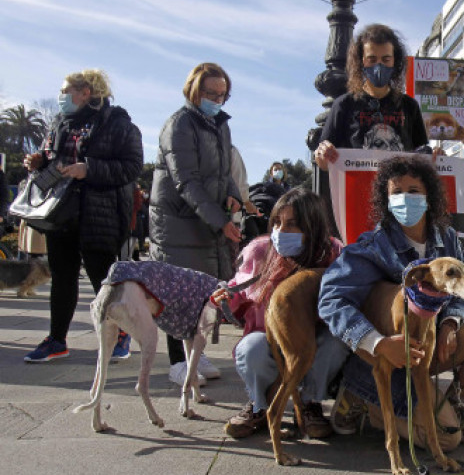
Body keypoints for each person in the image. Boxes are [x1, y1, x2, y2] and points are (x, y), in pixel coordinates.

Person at [318, 155, 464, 449]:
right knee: (448, 441)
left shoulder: (447, 238)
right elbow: (331, 300)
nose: (404, 199)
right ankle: (365, 400)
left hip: (428, 346)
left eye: (413, 191)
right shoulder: (373, 246)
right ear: (385, 199)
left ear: (429, 196)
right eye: (396, 192)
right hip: (388, 359)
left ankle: (454, 404)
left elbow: (460, 292)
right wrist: (376, 343)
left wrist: (450, 323)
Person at [23, 69, 143, 363]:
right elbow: (52, 158)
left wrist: (89, 169)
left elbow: (131, 167)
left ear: (86, 92)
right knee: (62, 276)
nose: (62, 97)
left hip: (99, 213)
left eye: (66, 91)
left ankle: (121, 333)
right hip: (60, 211)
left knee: (102, 278)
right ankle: (56, 339)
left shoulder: (119, 124)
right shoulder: (60, 122)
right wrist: (39, 161)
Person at [212, 188, 345, 439]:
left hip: (313, 337)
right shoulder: (260, 249)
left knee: (336, 342)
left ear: (312, 226)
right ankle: (260, 406)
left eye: (292, 224)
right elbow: (239, 291)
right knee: (251, 350)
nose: (281, 231)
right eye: (277, 222)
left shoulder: (333, 253)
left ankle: (308, 404)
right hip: (267, 336)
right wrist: (225, 298)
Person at [149, 62, 242, 386]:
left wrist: (232, 197)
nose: (216, 100)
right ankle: (177, 360)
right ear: (194, 90)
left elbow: (223, 173)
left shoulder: (220, 125)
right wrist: (221, 223)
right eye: (210, 93)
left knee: (204, 292)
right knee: (177, 294)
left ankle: (195, 352)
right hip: (177, 222)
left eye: (222, 95)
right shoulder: (179, 125)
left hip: (204, 220)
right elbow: (185, 181)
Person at [314, 24, 429, 171]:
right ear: (361, 61)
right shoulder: (344, 105)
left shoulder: (409, 106)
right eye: (372, 59)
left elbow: (422, 157)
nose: (379, 66)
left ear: (395, 61)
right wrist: (322, 154)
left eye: (386, 59)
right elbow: (324, 162)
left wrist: (436, 157)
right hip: (356, 190)